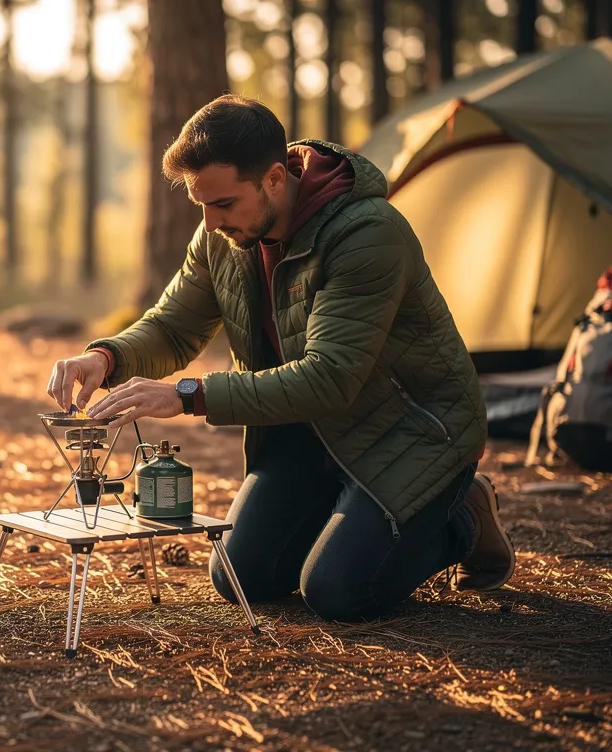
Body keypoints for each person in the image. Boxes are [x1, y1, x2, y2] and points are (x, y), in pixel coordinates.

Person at [44, 95, 516, 622]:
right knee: (243, 577)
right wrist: (106, 357)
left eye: (223, 203)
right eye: (200, 204)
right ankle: (351, 523)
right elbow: (174, 325)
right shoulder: (221, 235)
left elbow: (331, 377)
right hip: (303, 432)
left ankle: (464, 518)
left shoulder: (367, 234)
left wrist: (187, 395)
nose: (209, 220)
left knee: (339, 592)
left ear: (274, 178)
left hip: (411, 436)